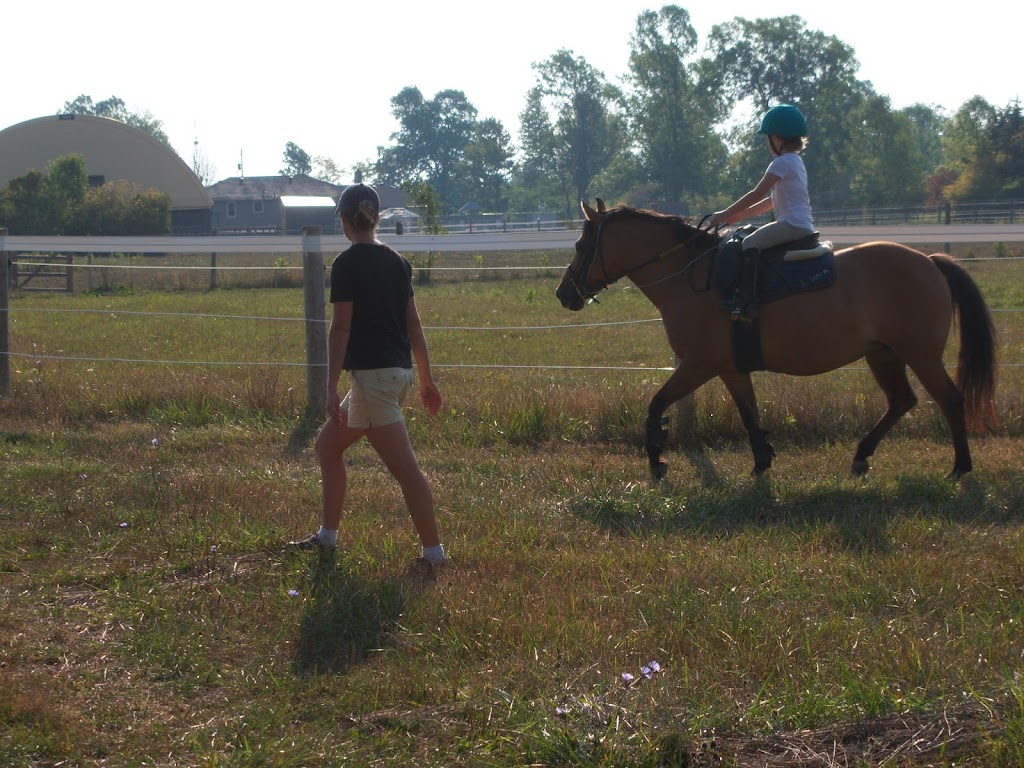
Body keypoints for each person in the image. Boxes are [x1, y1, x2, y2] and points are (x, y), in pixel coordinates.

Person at [289, 182, 446, 570]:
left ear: (344, 221)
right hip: (393, 376)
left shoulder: (346, 264)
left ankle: (434, 555)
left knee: (405, 469)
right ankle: (327, 537)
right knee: (327, 448)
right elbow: (415, 325)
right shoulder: (398, 262)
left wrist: (328, 386)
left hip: (373, 381)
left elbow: (340, 328)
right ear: (377, 218)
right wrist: (426, 379)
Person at [709, 104, 814, 319]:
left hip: (792, 226)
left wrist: (722, 214)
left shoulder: (780, 163)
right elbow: (771, 202)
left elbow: (756, 194)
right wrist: (738, 216)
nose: (768, 142)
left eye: (768, 137)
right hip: (800, 224)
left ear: (777, 138)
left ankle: (745, 302)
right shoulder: (796, 161)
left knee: (749, 243)